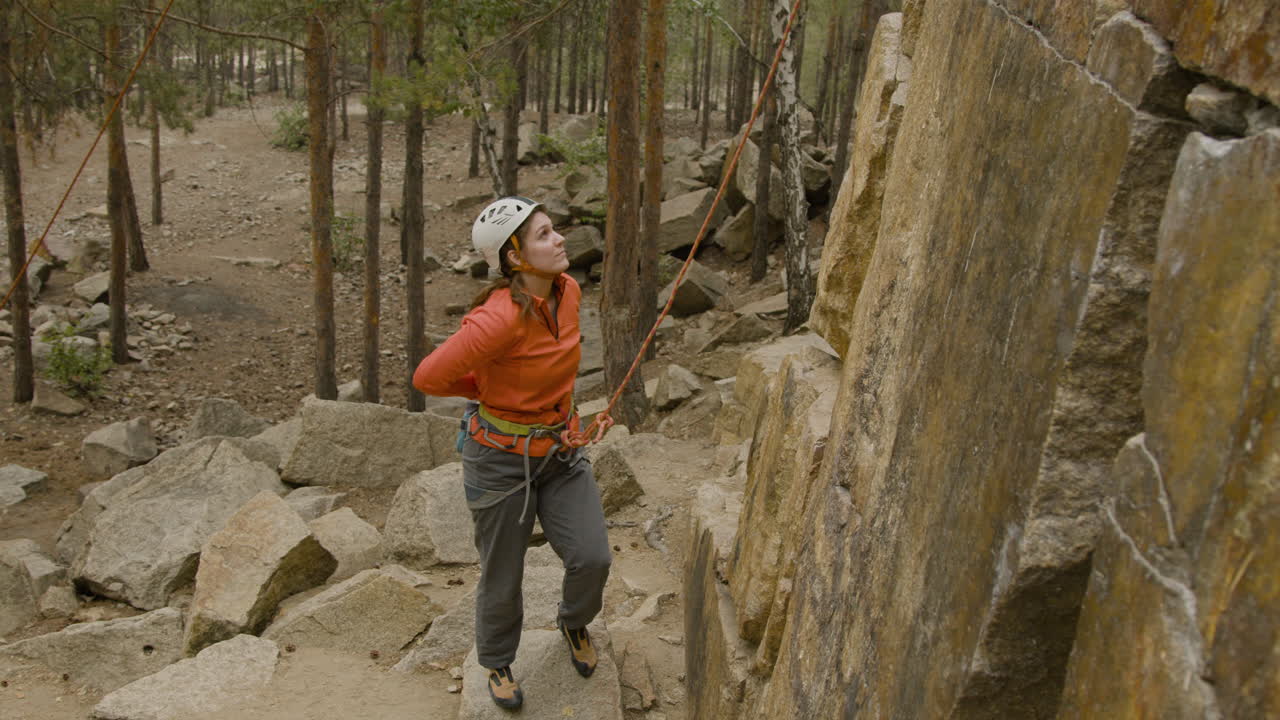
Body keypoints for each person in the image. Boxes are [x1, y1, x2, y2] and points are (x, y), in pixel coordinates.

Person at [413, 196, 612, 711]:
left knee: (592, 556)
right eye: (544, 235)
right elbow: (428, 376)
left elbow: (555, 363)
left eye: (554, 229)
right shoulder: (495, 319)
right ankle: (497, 660)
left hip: (559, 449)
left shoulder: (567, 291)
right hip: (500, 461)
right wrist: (484, 390)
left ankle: (573, 622)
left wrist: (563, 414)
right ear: (515, 258)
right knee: (503, 574)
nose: (560, 238)